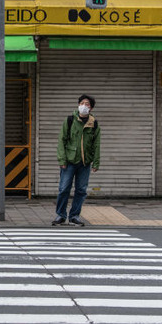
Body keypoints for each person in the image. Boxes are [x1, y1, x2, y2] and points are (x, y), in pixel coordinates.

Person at [53, 94, 100, 227]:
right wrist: (62, 159)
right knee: (63, 189)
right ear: (78, 104)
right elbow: (61, 141)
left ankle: (74, 216)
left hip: (84, 163)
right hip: (68, 162)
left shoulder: (94, 124)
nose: (84, 106)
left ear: (91, 108)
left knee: (81, 190)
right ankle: (60, 215)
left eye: (88, 104)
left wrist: (96, 162)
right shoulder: (69, 120)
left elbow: (97, 144)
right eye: (82, 103)